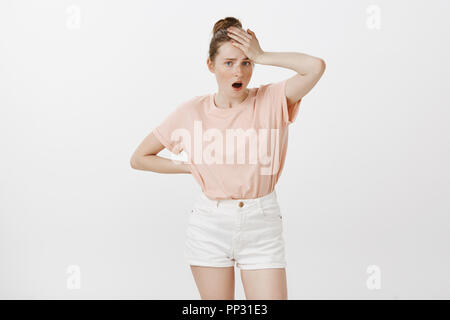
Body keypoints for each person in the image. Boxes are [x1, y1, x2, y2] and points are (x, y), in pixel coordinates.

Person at [130, 16, 326, 300]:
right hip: (210, 223)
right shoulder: (191, 111)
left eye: (246, 62)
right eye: (229, 63)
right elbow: (140, 158)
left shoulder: (272, 99)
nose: (239, 72)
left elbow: (315, 67)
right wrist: (189, 167)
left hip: (262, 222)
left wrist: (262, 54)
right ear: (211, 66)